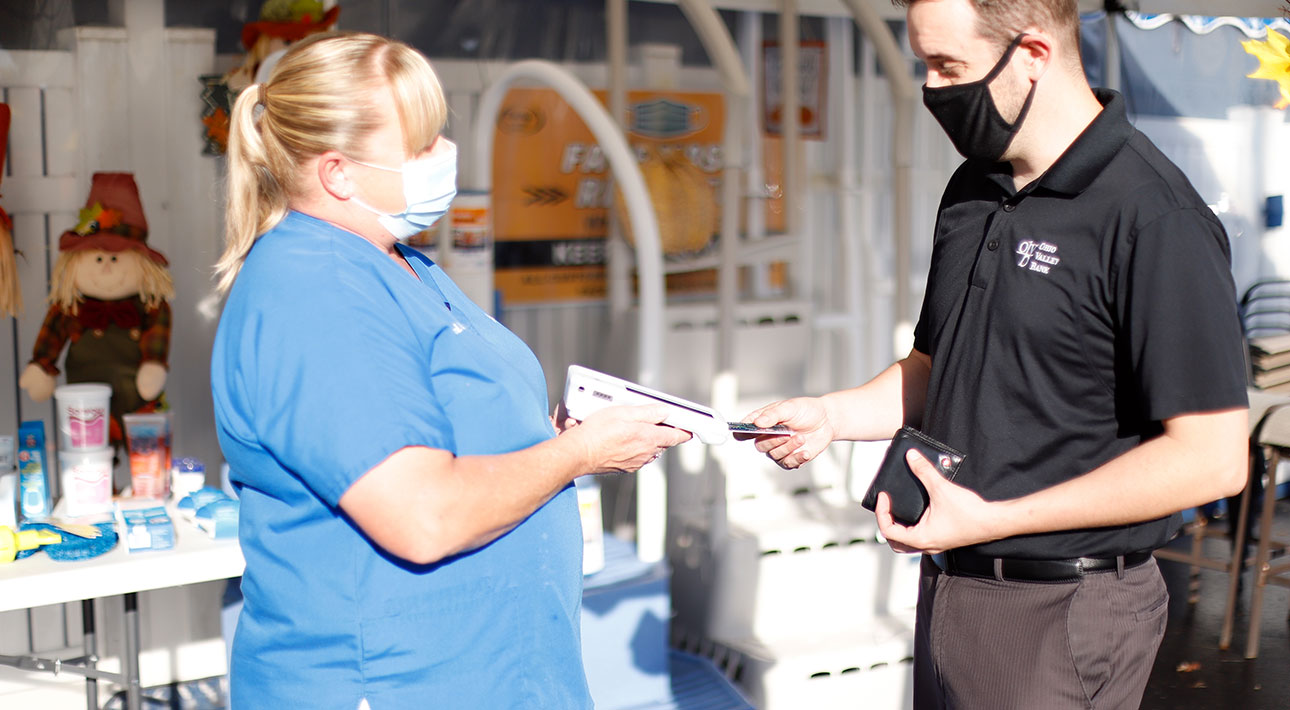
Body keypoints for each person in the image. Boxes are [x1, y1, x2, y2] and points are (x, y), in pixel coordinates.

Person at [744, 1, 1250, 707]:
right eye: (925, 62)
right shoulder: (973, 190)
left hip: (1066, 607)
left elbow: (1213, 459)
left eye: (949, 65)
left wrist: (994, 518)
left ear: (1034, 53)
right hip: (953, 584)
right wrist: (832, 415)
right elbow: (936, 366)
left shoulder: (1154, 217)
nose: (932, 87)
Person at [209, 32, 689, 709]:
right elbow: (422, 514)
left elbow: (454, 428)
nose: (444, 156)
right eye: (421, 145)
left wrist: (553, 436)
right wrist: (575, 452)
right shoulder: (313, 293)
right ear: (338, 173)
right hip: (393, 683)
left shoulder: (395, 262)